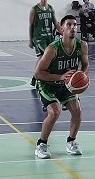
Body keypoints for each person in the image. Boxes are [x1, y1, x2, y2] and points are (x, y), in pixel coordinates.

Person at [33, 15, 89, 159]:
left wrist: (81, 76)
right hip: (47, 83)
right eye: (69, 24)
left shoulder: (82, 45)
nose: (72, 27)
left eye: (75, 25)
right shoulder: (53, 49)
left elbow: (85, 64)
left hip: (66, 85)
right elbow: (38, 73)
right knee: (55, 112)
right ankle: (41, 144)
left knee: (77, 111)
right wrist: (60, 77)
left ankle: (71, 142)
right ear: (61, 28)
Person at [28, 0, 60, 87]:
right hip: (39, 38)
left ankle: (35, 77)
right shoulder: (34, 9)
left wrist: (61, 30)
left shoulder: (50, 8)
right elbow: (31, 25)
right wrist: (30, 40)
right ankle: (37, 77)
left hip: (49, 36)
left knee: (45, 57)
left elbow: (55, 22)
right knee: (44, 56)